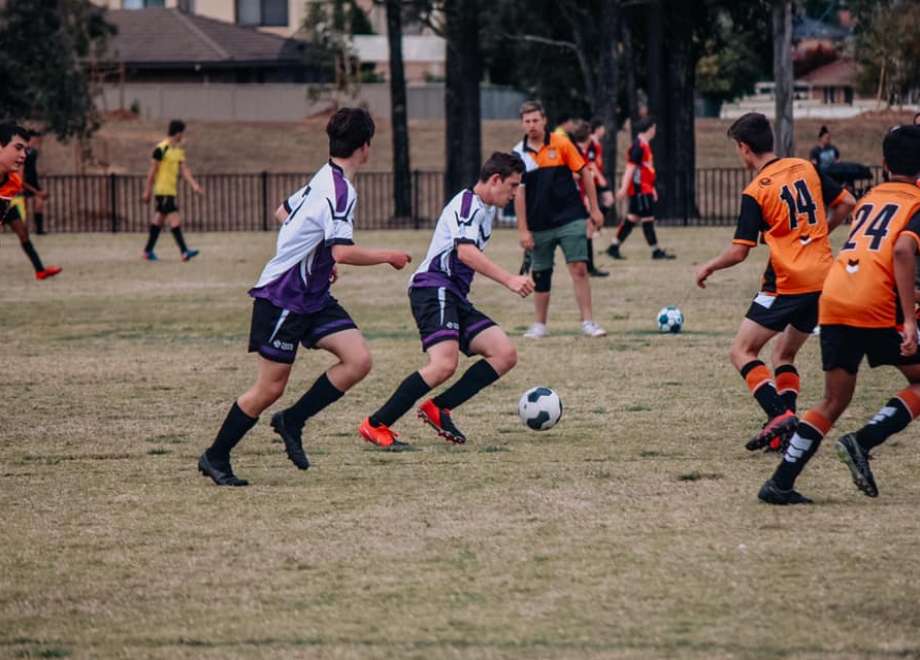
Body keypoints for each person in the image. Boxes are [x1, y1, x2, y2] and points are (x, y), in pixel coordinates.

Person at [198, 108, 412, 486]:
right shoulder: (340, 191)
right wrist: (388, 256)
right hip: (283, 296)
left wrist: (317, 258)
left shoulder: (324, 176)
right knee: (270, 388)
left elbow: (283, 212)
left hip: (312, 295)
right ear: (366, 147)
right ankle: (215, 456)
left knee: (358, 360)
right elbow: (342, 251)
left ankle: (292, 420)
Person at [759, 125, 920, 505]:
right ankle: (863, 441)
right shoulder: (916, 203)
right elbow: (901, 251)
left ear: (884, 164)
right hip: (873, 303)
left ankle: (779, 483)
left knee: (834, 401)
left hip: (835, 296)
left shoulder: (870, 198)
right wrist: (910, 320)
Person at [695, 112, 854, 455]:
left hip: (787, 283)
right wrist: (818, 234)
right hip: (823, 279)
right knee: (784, 354)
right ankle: (787, 432)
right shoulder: (806, 167)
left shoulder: (756, 190)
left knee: (741, 351)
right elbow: (846, 203)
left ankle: (778, 414)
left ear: (744, 148)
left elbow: (739, 251)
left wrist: (708, 266)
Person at [358, 153, 533, 447]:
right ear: (495, 179)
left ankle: (439, 408)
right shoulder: (468, 205)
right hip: (433, 288)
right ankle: (376, 424)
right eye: (513, 185)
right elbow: (465, 252)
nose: (515, 193)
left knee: (504, 354)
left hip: (453, 295)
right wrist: (509, 280)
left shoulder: (484, 209)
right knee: (443, 364)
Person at [513, 100, 607, 339]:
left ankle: (588, 322)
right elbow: (519, 194)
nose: (532, 125)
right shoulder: (518, 153)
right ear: (522, 124)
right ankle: (539, 325)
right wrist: (523, 229)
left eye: (536, 120)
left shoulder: (562, 143)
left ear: (544, 120)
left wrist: (595, 210)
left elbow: (585, 173)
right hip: (539, 223)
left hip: (570, 218)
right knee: (541, 275)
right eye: (527, 121)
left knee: (579, 268)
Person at [606, 117, 675, 260]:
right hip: (640, 190)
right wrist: (624, 188)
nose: (655, 131)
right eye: (654, 128)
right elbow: (630, 168)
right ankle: (656, 251)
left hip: (645, 188)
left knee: (632, 218)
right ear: (649, 129)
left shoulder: (644, 144)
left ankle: (614, 247)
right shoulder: (638, 146)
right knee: (647, 219)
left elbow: (645, 169)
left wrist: (652, 187)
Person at [0, 123, 61, 280]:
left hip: (8, 205)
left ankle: (40, 270)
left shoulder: (13, 181)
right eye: (18, 148)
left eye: (25, 150)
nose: (23, 155)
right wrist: (37, 193)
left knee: (24, 234)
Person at [141, 119, 203, 261]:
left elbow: (184, 170)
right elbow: (152, 171)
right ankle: (184, 251)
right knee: (175, 219)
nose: (183, 136)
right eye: (182, 133)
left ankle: (147, 251)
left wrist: (194, 185)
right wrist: (147, 190)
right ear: (178, 133)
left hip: (171, 191)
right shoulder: (161, 148)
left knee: (159, 220)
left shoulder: (178, 151)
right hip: (162, 191)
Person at [572, 119, 609, 278]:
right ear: (587, 137)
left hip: (583, 193)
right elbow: (572, 174)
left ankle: (589, 267)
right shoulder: (574, 150)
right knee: (584, 230)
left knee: (587, 229)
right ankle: (588, 267)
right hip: (575, 195)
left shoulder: (584, 149)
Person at [22, 130, 48, 235]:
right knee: (23, 208)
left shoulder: (34, 153)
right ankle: (23, 229)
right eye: (34, 140)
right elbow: (21, 180)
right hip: (23, 183)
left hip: (33, 182)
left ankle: (39, 229)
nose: (35, 142)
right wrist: (37, 192)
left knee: (39, 203)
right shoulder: (22, 153)